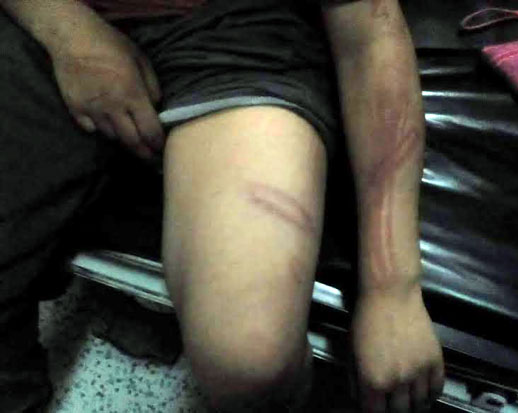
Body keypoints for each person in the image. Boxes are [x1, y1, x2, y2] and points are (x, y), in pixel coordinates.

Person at [0, 0, 445, 411]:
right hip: (56, 18)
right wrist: (70, 33)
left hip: (237, 30)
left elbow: (368, 33)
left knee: (249, 358)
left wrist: (392, 288)